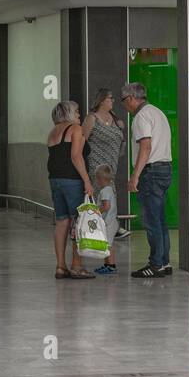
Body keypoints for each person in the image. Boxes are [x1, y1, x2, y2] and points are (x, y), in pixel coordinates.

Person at [121, 81, 173, 279]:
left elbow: (146, 146)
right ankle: (164, 261)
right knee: (160, 220)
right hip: (164, 168)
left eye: (124, 100)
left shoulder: (141, 117)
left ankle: (155, 264)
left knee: (152, 221)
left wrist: (135, 175)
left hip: (150, 172)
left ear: (133, 98)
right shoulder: (157, 112)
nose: (124, 105)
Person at [47, 101, 94, 280]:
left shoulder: (53, 132)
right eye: (77, 112)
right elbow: (75, 157)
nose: (79, 116)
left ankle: (60, 266)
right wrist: (87, 181)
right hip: (72, 180)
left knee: (61, 222)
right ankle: (76, 265)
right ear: (68, 113)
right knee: (78, 221)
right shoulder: (75, 129)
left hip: (55, 179)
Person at [82, 88, 125, 189]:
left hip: (111, 169)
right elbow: (82, 143)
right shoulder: (92, 118)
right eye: (110, 98)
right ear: (101, 101)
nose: (113, 100)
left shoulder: (113, 117)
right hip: (97, 170)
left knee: (109, 199)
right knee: (102, 199)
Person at [92, 163, 120, 275]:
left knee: (108, 245)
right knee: (106, 244)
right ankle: (107, 265)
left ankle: (111, 266)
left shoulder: (105, 191)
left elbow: (106, 206)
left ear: (100, 179)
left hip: (109, 223)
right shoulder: (109, 189)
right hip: (109, 222)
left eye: (97, 179)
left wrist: (96, 211)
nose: (96, 182)